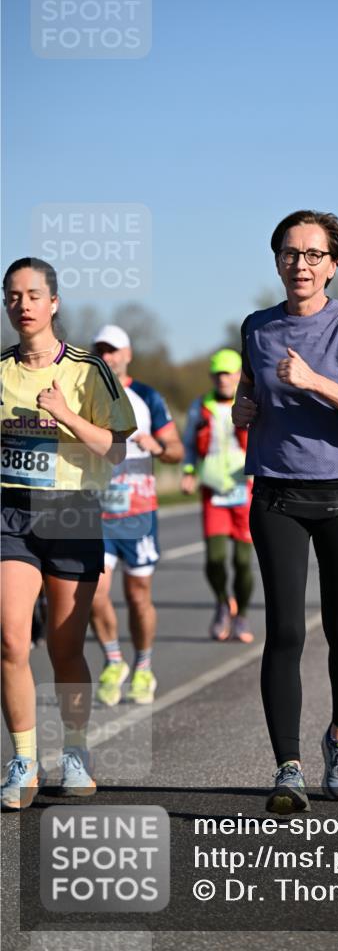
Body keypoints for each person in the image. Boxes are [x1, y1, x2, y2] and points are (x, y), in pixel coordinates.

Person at [232, 210, 338, 814]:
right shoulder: (255, 326)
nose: (301, 264)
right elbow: (252, 391)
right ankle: (288, 769)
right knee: (285, 631)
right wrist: (242, 410)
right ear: (276, 260)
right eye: (290, 253)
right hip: (276, 494)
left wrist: (317, 382)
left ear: (333, 264)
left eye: (313, 255)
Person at [1, 258, 136, 810]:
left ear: (53, 303)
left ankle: (76, 752)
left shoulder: (86, 368)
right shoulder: (2, 369)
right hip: (11, 514)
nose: (23, 304)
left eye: (34, 295)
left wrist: (65, 415)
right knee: (10, 638)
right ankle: (24, 761)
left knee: (63, 647)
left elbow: (117, 449)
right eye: (13, 296)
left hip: (72, 513)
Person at [90, 325, 184, 707]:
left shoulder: (146, 396)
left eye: (113, 350)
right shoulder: (86, 395)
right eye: (100, 350)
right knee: (94, 593)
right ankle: (114, 660)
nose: (107, 357)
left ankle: (143, 665)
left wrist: (158, 446)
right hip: (97, 513)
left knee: (138, 595)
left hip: (139, 514)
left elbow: (177, 450)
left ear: (127, 353)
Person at [181, 349, 254, 643]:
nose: (224, 379)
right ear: (212, 376)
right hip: (213, 491)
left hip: (245, 491)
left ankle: (242, 616)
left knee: (243, 562)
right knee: (215, 559)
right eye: (218, 374)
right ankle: (224, 603)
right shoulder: (200, 406)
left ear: (239, 375)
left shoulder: (251, 403)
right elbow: (189, 444)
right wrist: (188, 471)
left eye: (229, 373)